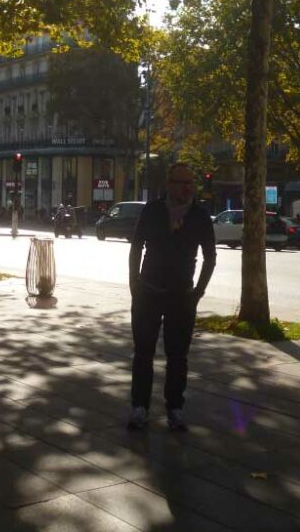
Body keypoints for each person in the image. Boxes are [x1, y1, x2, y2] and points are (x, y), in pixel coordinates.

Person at [127, 162, 216, 432]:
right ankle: (140, 407)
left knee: (178, 356)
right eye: (182, 182)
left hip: (181, 296)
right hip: (149, 292)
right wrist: (134, 284)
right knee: (143, 352)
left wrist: (197, 293)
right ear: (169, 185)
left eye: (191, 182)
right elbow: (136, 247)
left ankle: (175, 408)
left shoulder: (199, 215)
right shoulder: (153, 210)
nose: (188, 188)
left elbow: (210, 257)